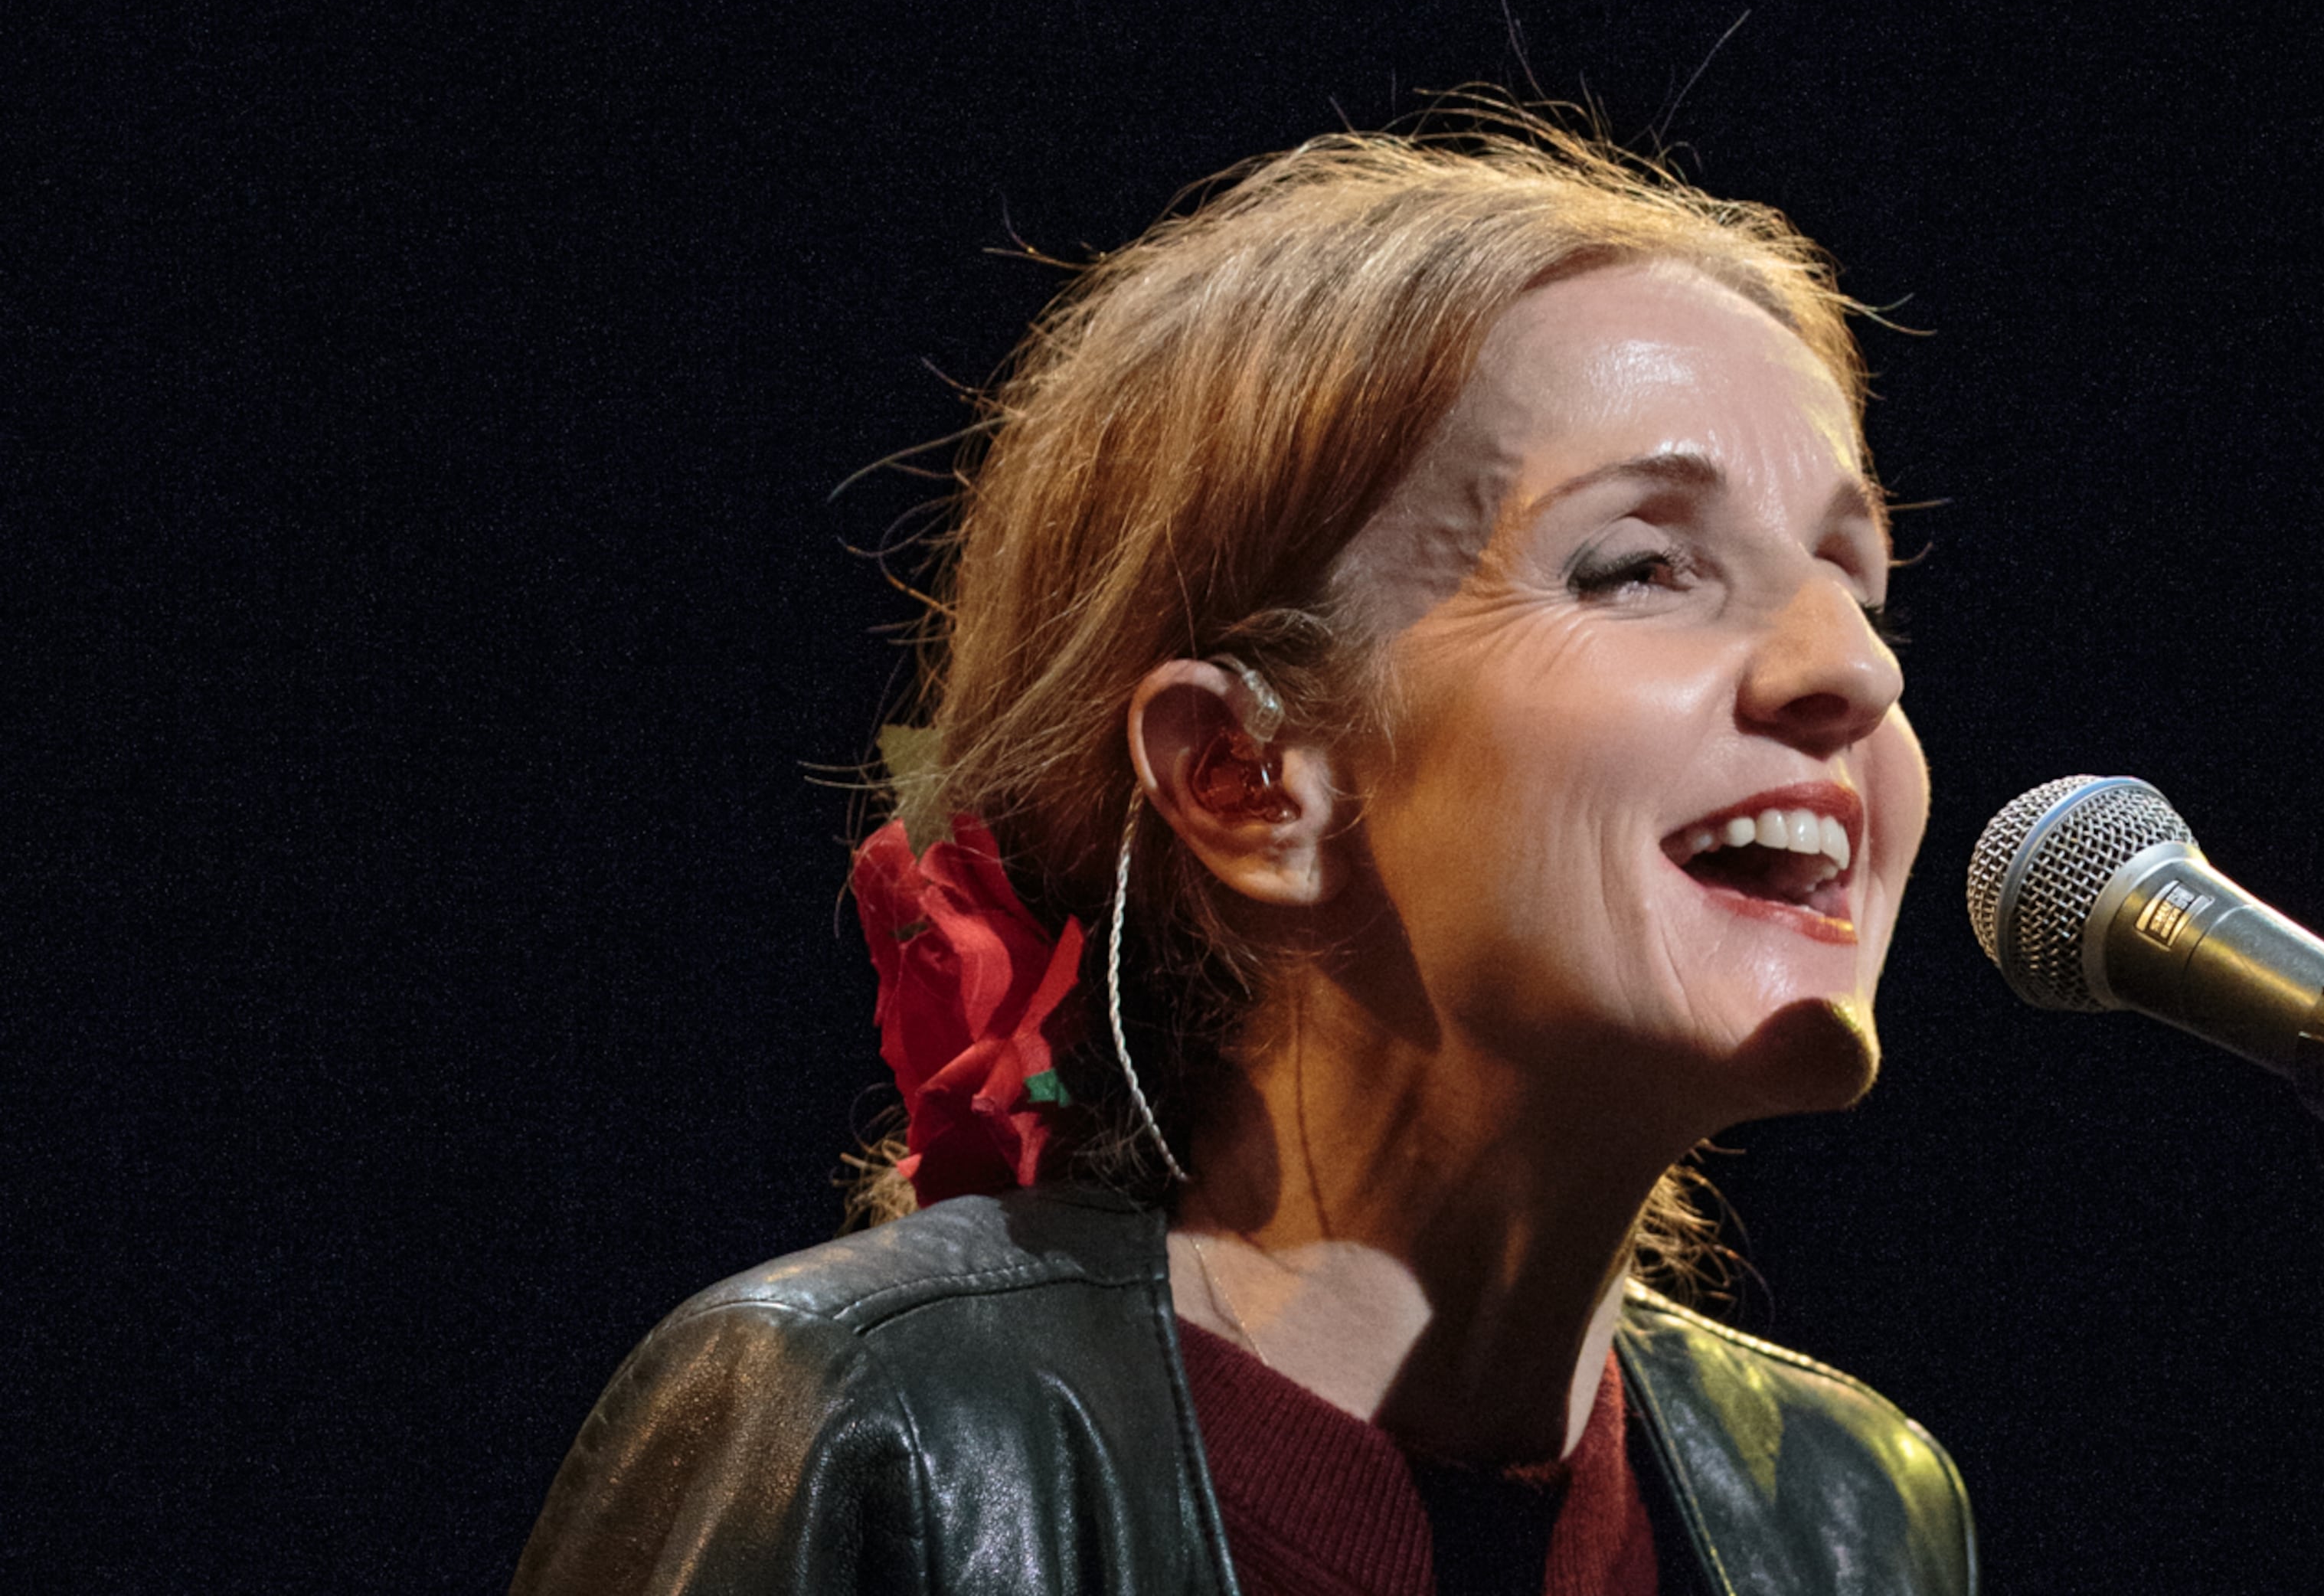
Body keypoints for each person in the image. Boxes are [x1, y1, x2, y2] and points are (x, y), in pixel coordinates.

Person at [513, 106, 1969, 1596]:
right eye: (1645, 565)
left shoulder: (1855, 1520)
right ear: (1247, 779)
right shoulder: (869, 1437)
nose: (1850, 670)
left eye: (1855, 580)